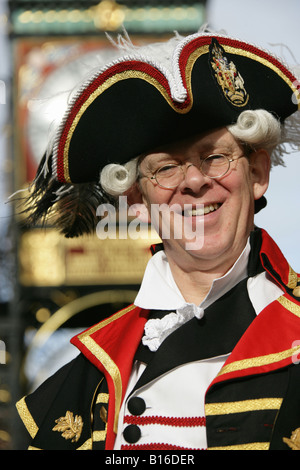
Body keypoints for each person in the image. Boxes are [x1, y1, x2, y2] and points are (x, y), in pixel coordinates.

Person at [15, 30, 300, 451]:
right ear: (137, 202)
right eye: (166, 168)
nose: (194, 182)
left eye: (214, 156)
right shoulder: (80, 381)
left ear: (257, 173)